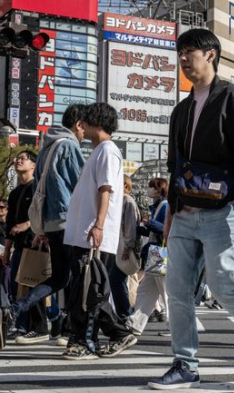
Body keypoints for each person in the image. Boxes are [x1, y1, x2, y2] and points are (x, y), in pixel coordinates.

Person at [149, 28, 234, 390]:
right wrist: (170, 213)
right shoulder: (181, 110)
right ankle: (185, 364)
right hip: (183, 214)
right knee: (177, 291)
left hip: (223, 210)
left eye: (189, 51)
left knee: (224, 286)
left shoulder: (232, 98)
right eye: (179, 52)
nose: (182, 58)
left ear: (210, 55)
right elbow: (174, 166)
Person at [0, 105, 87, 349]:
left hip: (51, 225)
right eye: (85, 127)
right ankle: (75, 335)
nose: (85, 133)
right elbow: (81, 185)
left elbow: (37, 191)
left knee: (58, 278)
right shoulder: (69, 146)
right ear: (79, 124)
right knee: (78, 278)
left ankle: (13, 309)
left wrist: (41, 227)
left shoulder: (46, 149)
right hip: (69, 221)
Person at [61, 103, 137, 360]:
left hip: (93, 235)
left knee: (90, 292)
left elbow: (106, 190)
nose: (82, 125)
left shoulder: (107, 150)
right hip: (84, 233)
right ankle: (97, 337)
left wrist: (99, 225)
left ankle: (93, 340)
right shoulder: (98, 151)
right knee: (84, 291)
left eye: (86, 121)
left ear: (96, 122)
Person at [0, 150, 50, 347]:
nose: (17, 161)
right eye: (17, 159)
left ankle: (41, 327)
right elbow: (9, 226)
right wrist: (6, 250)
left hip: (36, 242)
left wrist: (27, 225)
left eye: (22, 159)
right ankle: (31, 325)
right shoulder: (16, 192)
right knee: (19, 287)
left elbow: (43, 213)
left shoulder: (38, 187)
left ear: (33, 165)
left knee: (33, 283)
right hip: (18, 246)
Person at [128, 178, 169, 336]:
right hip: (157, 252)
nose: (148, 190)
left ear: (159, 190)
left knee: (164, 291)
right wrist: (142, 228)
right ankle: (135, 323)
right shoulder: (159, 205)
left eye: (151, 187)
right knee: (146, 289)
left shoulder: (164, 205)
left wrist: (148, 224)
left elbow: (165, 229)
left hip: (160, 252)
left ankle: (175, 326)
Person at [110, 175, 140, 319]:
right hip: (117, 246)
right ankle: (124, 313)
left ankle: (125, 314)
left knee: (116, 279)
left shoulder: (127, 201)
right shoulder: (118, 201)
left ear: (125, 186)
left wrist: (128, 247)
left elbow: (130, 226)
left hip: (123, 247)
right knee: (116, 280)